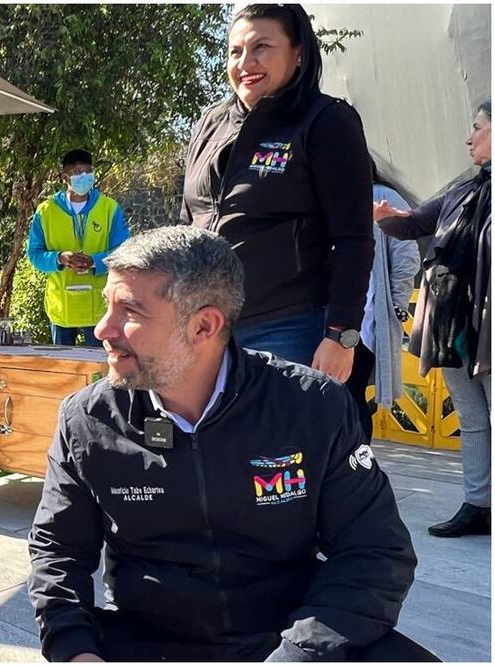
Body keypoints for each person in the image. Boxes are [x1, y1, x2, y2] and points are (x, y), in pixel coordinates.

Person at [28, 226, 435, 662]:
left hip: (292, 637)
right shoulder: (87, 420)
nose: (102, 329)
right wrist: (75, 650)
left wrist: (299, 654)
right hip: (146, 640)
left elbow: (375, 553)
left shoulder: (311, 407)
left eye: (129, 310)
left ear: (204, 325)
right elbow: (57, 552)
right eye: (108, 305)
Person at [180, 3, 373, 380]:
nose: (245, 62)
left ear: (298, 53)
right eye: (235, 51)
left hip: (288, 327)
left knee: (277, 440)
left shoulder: (327, 121)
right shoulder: (210, 123)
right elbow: (188, 223)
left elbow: (354, 239)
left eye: (261, 47)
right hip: (205, 326)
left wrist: (341, 335)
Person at [373, 99, 492, 538]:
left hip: (489, 327)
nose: (468, 137)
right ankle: (479, 505)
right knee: (473, 418)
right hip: (454, 327)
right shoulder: (462, 190)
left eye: (477, 128)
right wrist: (387, 219)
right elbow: (414, 223)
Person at [344, 163, 421, 443]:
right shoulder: (329, 197)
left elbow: (407, 257)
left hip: (363, 320)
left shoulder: (381, 197)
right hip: (328, 316)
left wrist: (395, 308)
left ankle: (358, 470)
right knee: (338, 397)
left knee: (349, 396)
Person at [27, 149, 130, 346]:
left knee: (100, 372)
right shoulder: (46, 211)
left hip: (100, 307)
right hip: (62, 307)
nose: (83, 177)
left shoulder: (109, 208)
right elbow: (34, 254)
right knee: (65, 372)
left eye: (87, 171)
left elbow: (124, 252)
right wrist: (59, 258)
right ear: (64, 177)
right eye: (76, 172)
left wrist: (95, 261)